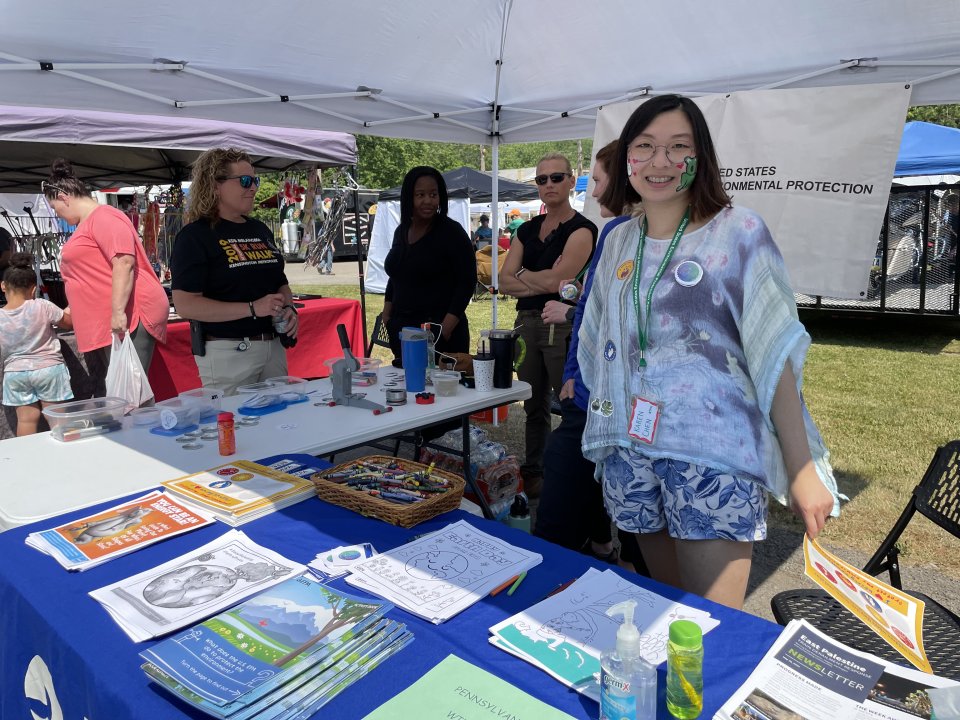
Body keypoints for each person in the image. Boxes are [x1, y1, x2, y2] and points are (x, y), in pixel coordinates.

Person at [579, 94, 839, 608]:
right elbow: (599, 340)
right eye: (645, 146)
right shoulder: (616, 243)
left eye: (679, 147)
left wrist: (802, 467)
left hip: (711, 457)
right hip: (631, 454)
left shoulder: (739, 232)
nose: (660, 162)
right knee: (670, 614)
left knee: (712, 629)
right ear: (625, 157)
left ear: (702, 157)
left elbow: (773, 354)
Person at [535, 141, 646, 574]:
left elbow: (601, 312)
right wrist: (573, 373)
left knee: (625, 509)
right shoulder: (618, 233)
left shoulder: (625, 234)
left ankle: (588, 567)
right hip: (592, 396)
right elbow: (592, 312)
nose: (595, 192)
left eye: (597, 181)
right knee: (577, 478)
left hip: (624, 404)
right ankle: (596, 554)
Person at [499, 153, 597, 496]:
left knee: (570, 405)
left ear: (572, 181)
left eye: (557, 178)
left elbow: (561, 281)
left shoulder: (583, 229)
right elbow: (503, 281)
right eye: (542, 180)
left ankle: (574, 475)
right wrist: (543, 278)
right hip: (526, 322)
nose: (549, 185)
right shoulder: (525, 229)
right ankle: (534, 473)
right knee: (532, 404)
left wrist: (524, 274)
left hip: (560, 323)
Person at [171, 148, 298, 396]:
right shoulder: (195, 236)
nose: (253, 188)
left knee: (280, 424)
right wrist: (252, 308)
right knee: (236, 430)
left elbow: (280, 282)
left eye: (255, 180)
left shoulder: (260, 229)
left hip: (272, 346)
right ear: (215, 186)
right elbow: (186, 304)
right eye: (245, 181)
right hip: (228, 353)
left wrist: (289, 308)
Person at [43, 160, 168, 398]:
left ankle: (140, 435)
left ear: (64, 197)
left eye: (54, 206)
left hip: (129, 315)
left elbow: (124, 262)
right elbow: (92, 272)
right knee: (125, 395)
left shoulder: (104, 217)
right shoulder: (91, 221)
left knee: (131, 397)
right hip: (110, 319)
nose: (56, 212)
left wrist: (118, 312)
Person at [382, 166, 477, 361]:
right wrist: (387, 314)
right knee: (409, 386)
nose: (428, 201)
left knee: (442, 390)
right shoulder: (402, 231)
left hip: (439, 335)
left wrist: (446, 328)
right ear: (409, 197)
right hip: (403, 332)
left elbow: (467, 282)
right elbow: (396, 276)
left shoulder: (451, 232)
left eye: (433, 194)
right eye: (420, 194)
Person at [0, 252, 74, 435]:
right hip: (48, 369)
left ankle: (27, 460)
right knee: (58, 420)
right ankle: (69, 458)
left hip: (15, 373)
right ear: (33, 289)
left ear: (3, 286)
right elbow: (67, 322)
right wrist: (70, 307)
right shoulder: (42, 305)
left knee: (25, 420)